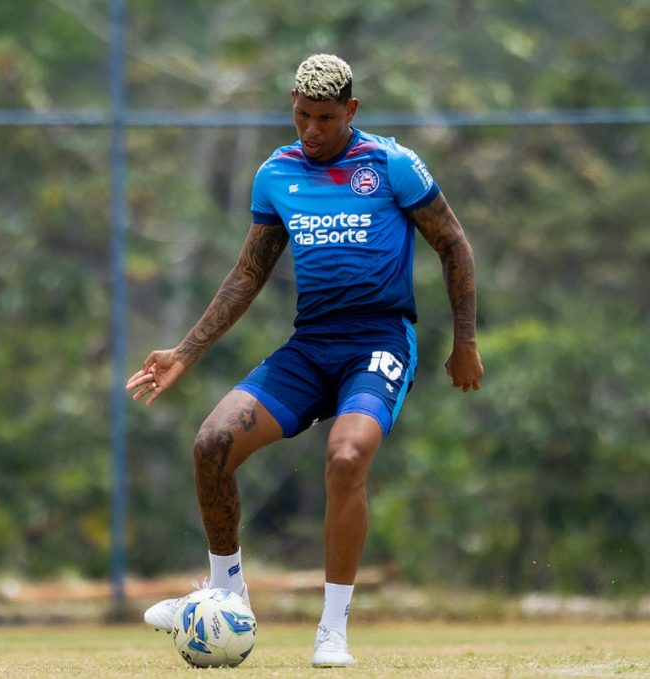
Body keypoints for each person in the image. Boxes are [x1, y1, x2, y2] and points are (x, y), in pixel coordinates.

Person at [127, 53, 483, 668]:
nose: (312, 131)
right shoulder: (276, 173)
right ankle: (227, 594)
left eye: (325, 118)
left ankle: (333, 628)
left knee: (346, 458)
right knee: (212, 442)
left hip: (377, 343)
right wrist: (184, 353)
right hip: (310, 347)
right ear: (291, 104)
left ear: (351, 111)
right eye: (301, 116)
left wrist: (465, 342)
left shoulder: (391, 165)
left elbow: (453, 245)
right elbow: (247, 274)